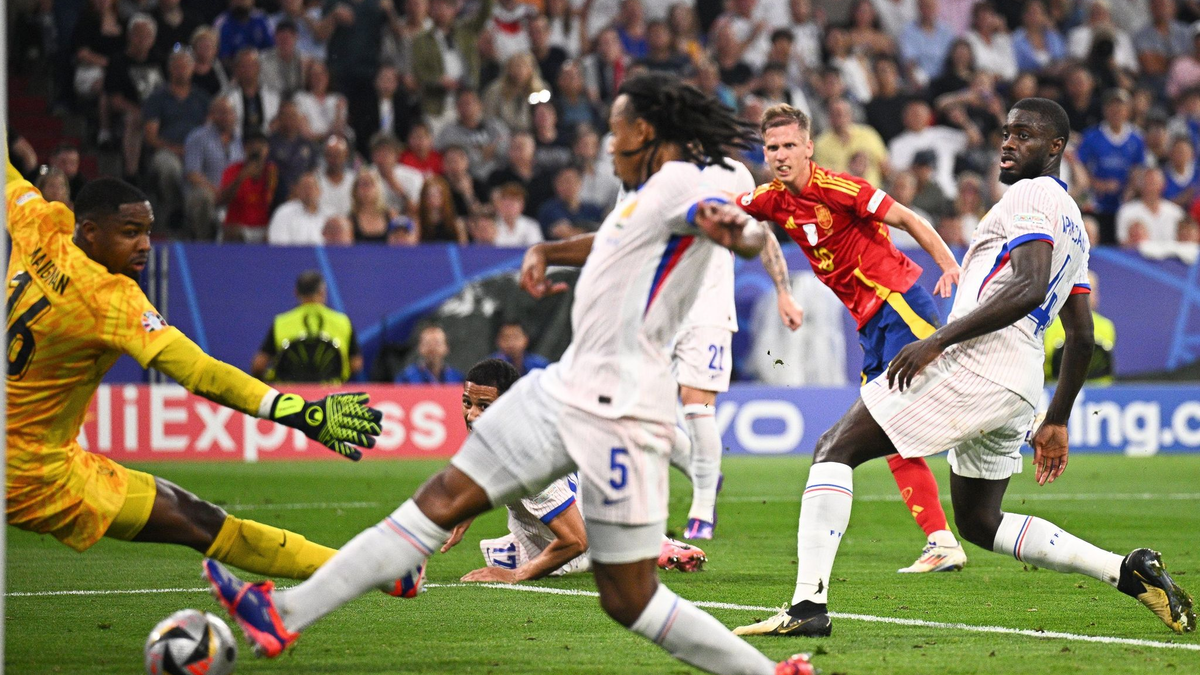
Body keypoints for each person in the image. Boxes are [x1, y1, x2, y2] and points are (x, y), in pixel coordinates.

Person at [201, 72, 817, 675]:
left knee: (628, 595)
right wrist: (549, 250)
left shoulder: (688, 183)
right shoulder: (651, 188)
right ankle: (282, 615)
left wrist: (732, 230)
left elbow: (720, 218)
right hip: (569, 388)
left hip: (618, 410)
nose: (606, 143)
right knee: (448, 502)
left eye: (616, 129)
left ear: (647, 131)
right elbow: (614, 239)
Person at [734, 98, 1196, 640]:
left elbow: (1025, 286)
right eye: (1006, 132)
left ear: (1055, 148)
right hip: (1019, 381)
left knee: (835, 447)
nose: (1007, 142)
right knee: (979, 522)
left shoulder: (1029, 195)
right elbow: (1081, 332)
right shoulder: (1074, 223)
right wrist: (1056, 418)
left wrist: (937, 343)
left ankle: (808, 605)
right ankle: (1126, 570)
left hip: (979, 362)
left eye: (1023, 135)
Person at [3, 157, 381, 582]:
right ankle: (368, 571)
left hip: (45, 458)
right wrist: (298, 412)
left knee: (196, 517)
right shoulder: (108, 299)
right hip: (34, 473)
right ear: (89, 231)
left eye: (147, 231)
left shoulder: (39, 224)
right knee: (203, 524)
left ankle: (369, 571)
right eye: (131, 233)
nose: (145, 244)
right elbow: (201, 372)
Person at [731, 103, 968, 574]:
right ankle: (941, 540)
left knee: (937, 396)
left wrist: (947, 262)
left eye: (789, 146)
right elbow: (721, 207)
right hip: (870, 324)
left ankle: (1021, 419)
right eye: (772, 147)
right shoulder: (772, 199)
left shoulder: (839, 187)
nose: (780, 155)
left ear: (809, 147)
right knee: (892, 431)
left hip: (898, 302)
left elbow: (906, 218)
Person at [444, 358, 708, 582]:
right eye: (467, 403)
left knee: (568, 557)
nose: (471, 415)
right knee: (502, 552)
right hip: (579, 506)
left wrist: (516, 576)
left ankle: (643, 544)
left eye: (484, 407)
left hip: (579, 541)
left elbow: (574, 541)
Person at [250, 271, 361, 383]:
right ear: (322, 292)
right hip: (331, 393)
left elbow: (259, 365)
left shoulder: (281, 322)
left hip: (289, 395)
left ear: (296, 293)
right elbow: (356, 364)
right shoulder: (343, 321)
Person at [1044, 271, 1116, 385]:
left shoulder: (1050, 324)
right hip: (1100, 389)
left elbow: (1047, 367)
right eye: (1094, 292)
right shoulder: (1107, 325)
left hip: (1058, 386)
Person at [217, 130, 277, 243]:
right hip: (239, 228)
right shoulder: (233, 170)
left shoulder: (273, 172)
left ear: (267, 150)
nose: (256, 149)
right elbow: (221, 200)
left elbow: (278, 202)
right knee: (231, 232)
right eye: (252, 146)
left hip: (266, 228)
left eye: (261, 146)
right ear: (245, 148)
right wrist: (241, 178)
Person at [267, 171, 332, 246]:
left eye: (311, 187)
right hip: (293, 256)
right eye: (304, 187)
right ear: (297, 190)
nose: (308, 192)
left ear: (319, 190)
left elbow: (339, 243)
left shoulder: (330, 215)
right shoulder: (283, 213)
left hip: (325, 256)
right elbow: (278, 243)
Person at [395, 324, 464, 384]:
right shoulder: (406, 378)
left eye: (437, 344)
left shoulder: (457, 378)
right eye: (428, 344)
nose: (432, 349)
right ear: (420, 348)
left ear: (446, 348)